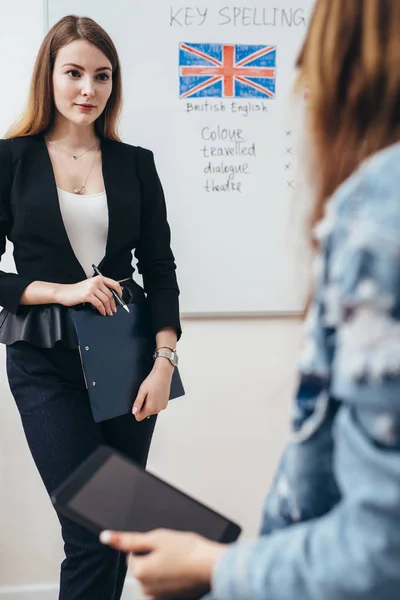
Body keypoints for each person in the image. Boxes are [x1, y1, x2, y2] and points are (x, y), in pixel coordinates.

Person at [100, 1, 400, 598]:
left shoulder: (375, 215)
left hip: (128, 360)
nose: (302, 83)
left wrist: (217, 569)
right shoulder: (15, 159)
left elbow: (381, 547)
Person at [0, 15, 181, 600]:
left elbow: (160, 268)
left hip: (128, 363)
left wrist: (164, 362)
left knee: (119, 529)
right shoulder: (10, 160)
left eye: (102, 77)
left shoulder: (135, 163)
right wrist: (61, 290)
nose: (88, 89)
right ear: (48, 76)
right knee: (87, 528)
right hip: (44, 360)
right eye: (74, 72)